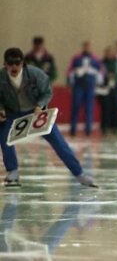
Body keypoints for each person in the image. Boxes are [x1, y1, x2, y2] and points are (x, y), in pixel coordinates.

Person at [0, 47, 97, 187]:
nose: (14, 66)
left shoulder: (36, 75)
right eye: (10, 63)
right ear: (5, 64)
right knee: (4, 136)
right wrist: (1, 109)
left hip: (35, 113)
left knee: (58, 140)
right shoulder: (1, 77)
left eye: (17, 63)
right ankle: (12, 172)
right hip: (12, 113)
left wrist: (40, 105)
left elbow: (47, 92)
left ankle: (79, 173)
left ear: (23, 63)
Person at [66, 41, 102, 137]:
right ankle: (73, 129)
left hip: (90, 86)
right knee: (76, 107)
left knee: (89, 108)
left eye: (88, 47)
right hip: (79, 86)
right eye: (85, 47)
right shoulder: (76, 58)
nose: (87, 48)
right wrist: (70, 83)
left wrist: (98, 83)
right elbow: (69, 71)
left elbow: (101, 72)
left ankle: (88, 130)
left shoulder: (95, 59)